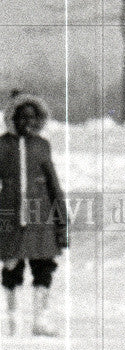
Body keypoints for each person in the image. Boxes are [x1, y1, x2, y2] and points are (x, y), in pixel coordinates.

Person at [0, 90, 68, 336]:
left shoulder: (42, 146)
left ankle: (40, 320)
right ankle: (12, 321)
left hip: (41, 220)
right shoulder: (3, 146)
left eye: (32, 117)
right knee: (11, 269)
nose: (27, 122)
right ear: (11, 118)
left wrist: (62, 222)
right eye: (21, 117)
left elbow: (53, 184)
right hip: (10, 218)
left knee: (43, 267)